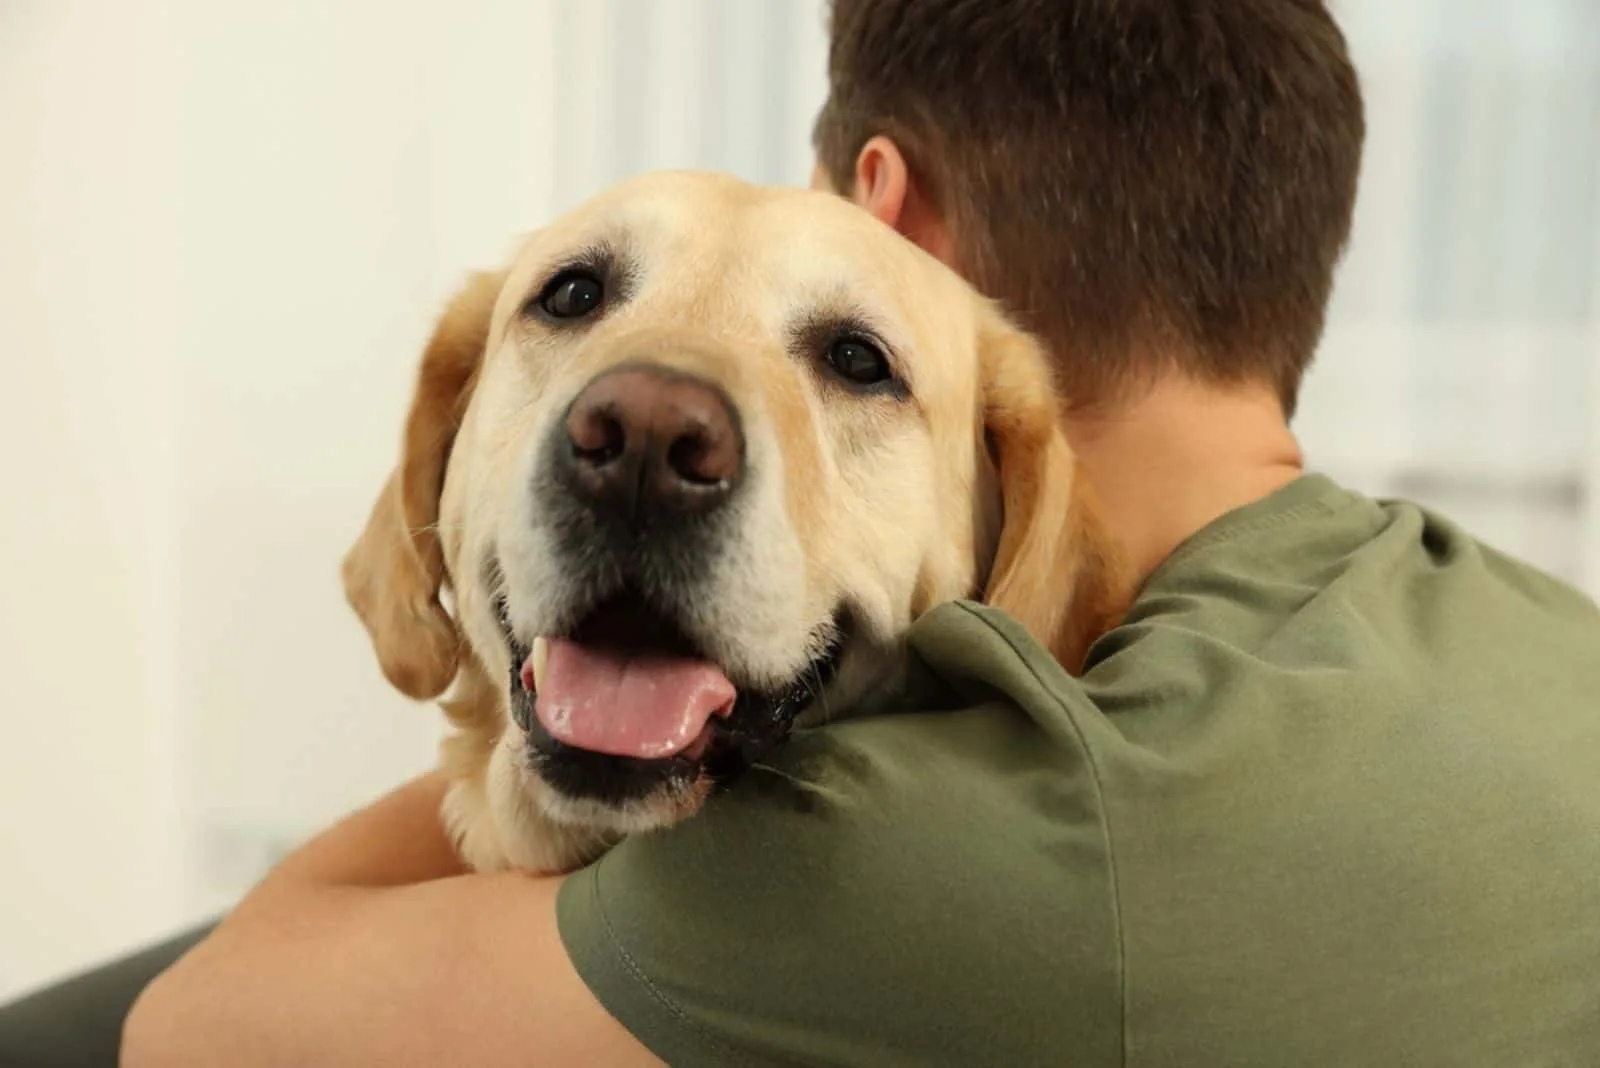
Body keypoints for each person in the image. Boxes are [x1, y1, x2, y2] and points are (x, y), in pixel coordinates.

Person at [5, 0, 1597, 1063]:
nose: (652, 422)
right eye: (575, 305)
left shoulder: (966, 847)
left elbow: (199, 1029)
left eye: (847, 352)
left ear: (884, 211)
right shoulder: (1548, 650)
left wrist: (498, 693)